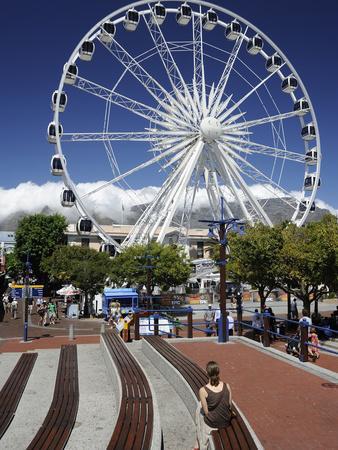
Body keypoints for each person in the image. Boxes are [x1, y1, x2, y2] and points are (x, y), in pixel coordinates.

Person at [193, 361, 233, 450]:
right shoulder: (227, 386)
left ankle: (200, 444)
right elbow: (229, 406)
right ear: (218, 372)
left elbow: (207, 412)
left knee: (199, 411)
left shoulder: (203, 390)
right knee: (199, 406)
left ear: (206, 372)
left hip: (213, 423)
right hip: (225, 420)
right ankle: (196, 441)